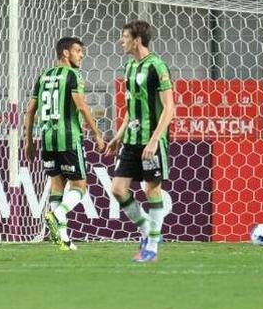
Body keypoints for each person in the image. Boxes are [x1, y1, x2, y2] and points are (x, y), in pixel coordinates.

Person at [104, 21, 176, 263]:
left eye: (124, 36)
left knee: (151, 189)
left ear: (137, 40)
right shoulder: (129, 66)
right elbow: (131, 108)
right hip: (132, 141)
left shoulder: (157, 66)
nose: (120, 41)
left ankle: (152, 247)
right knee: (117, 189)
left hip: (151, 141)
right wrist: (118, 135)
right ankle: (148, 232)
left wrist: (155, 140)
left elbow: (170, 108)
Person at [23, 36, 104, 251]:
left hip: (47, 139)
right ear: (66, 53)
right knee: (79, 186)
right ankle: (58, 214)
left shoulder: (43, 77)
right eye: (78, 51)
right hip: (69, 137)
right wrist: (96, 133)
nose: (82, 55)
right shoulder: (73, 75)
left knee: (57, 185)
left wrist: (29, 141)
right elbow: (82, 107)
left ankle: (63, 238)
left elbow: (30, 110)